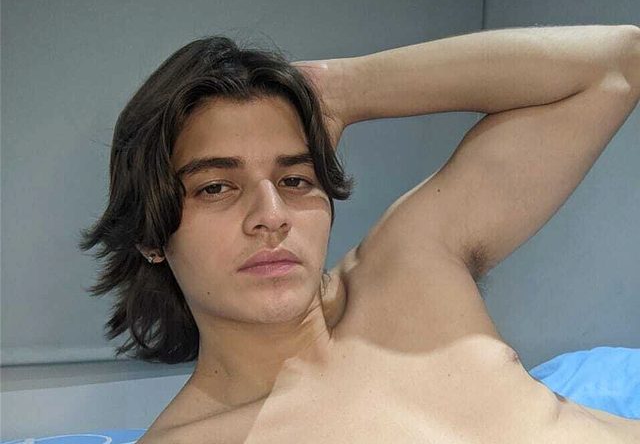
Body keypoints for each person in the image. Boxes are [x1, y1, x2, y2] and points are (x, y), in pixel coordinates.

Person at [79, 25, 640, 443]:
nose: (271, 215)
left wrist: (341, 90)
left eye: (295, 179)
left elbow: (615, 65)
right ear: (149, 236)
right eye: (216, 188)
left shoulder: (411, 265)